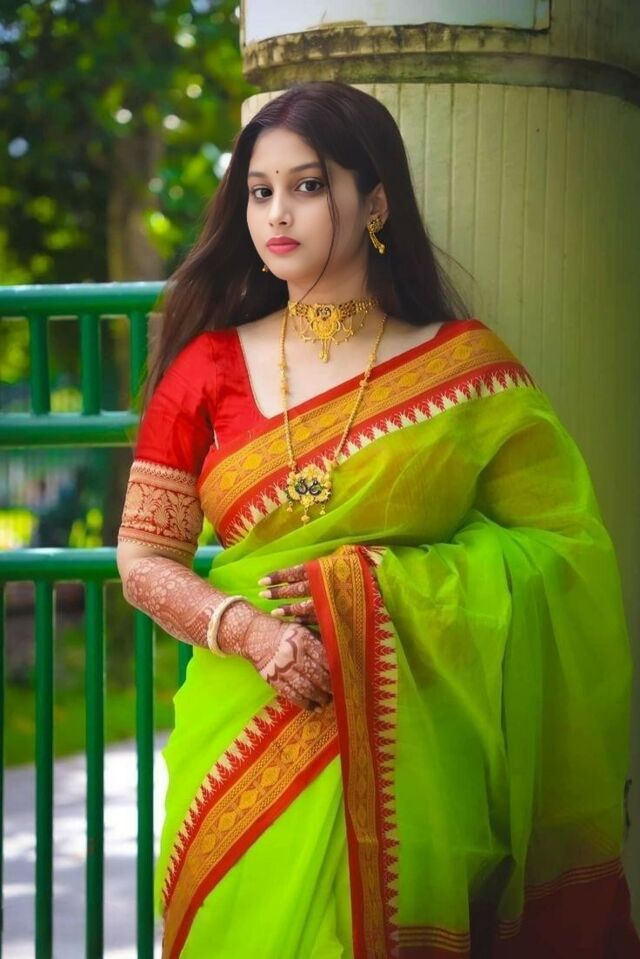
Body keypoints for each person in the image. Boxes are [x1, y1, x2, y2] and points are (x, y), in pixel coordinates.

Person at [116, 81, 639, 958]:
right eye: (260, 191)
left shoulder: (465, 369)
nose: (277, 213)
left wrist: (380, 588)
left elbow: (563, 552)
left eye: (308, 185)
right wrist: (252, 632)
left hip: (416, 753)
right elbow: (141, 559)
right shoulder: (205, 367)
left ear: (376, 202)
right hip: (244, 731)